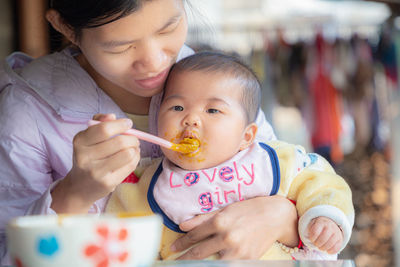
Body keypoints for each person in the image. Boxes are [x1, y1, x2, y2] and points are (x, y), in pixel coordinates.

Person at [0, 0, 299, 264]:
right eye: (120, 46)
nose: (155, 62)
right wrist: (74, 194)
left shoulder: (216, 82)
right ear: (65, 26)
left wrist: (284, 218)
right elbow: (9, 253)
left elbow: (294, 179)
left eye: (168, 28)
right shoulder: (28, 110)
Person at [106, 51, 354, 260]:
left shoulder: (276, 161)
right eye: (177, 107)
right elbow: (118, 238)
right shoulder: (144, 186)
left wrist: (325, 217)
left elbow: (323, 183)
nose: (191, 118)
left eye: (213, 110)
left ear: (247, 136)